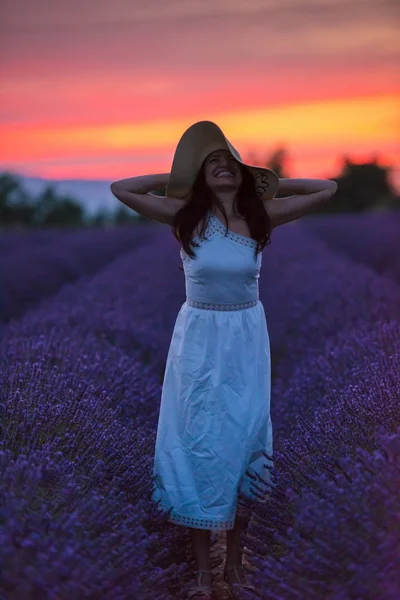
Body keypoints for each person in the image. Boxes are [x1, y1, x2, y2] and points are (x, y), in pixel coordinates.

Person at [110, 121, 338, 599]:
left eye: (229, 164)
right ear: (200, 176)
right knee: (194, 441)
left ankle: (233, 567)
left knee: (243, 437)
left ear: (243, 174)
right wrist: (179, 179)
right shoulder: (184, 216)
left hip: (246, 339)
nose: (221, 169)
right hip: (197, 338)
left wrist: (267, 184)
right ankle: (199, 573)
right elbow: (122, 188)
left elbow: (326, 188)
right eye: (211, 164)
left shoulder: (261, 219)